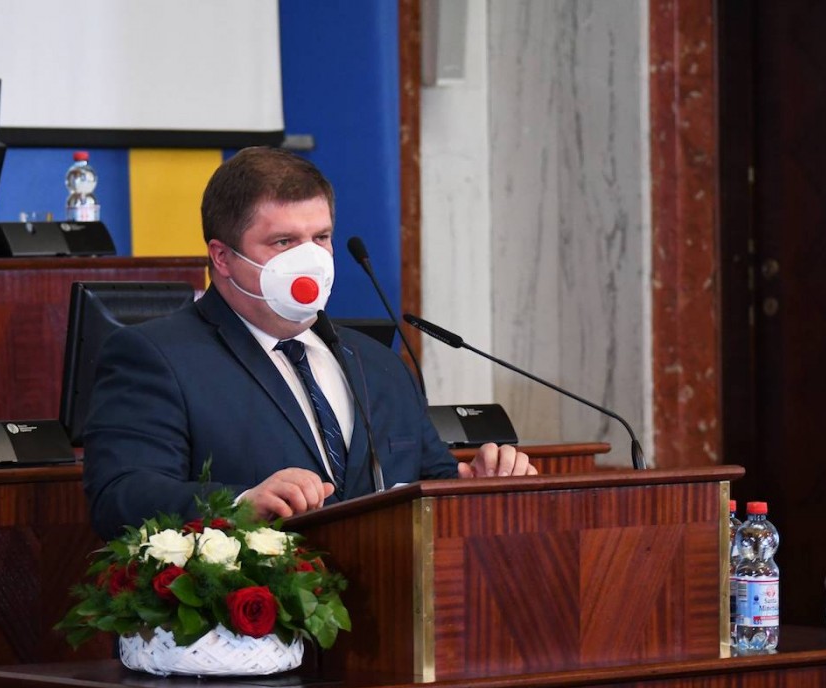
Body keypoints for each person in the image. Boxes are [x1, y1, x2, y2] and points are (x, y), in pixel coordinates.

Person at [83, 147, 535, 540]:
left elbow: (428, 480)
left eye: (320, 238)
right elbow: (119, 497)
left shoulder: (379, 364)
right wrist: (239, 505)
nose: (310, 259)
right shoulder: (156, 357)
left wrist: (477, 484)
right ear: (222, 257)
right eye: (284, 242)